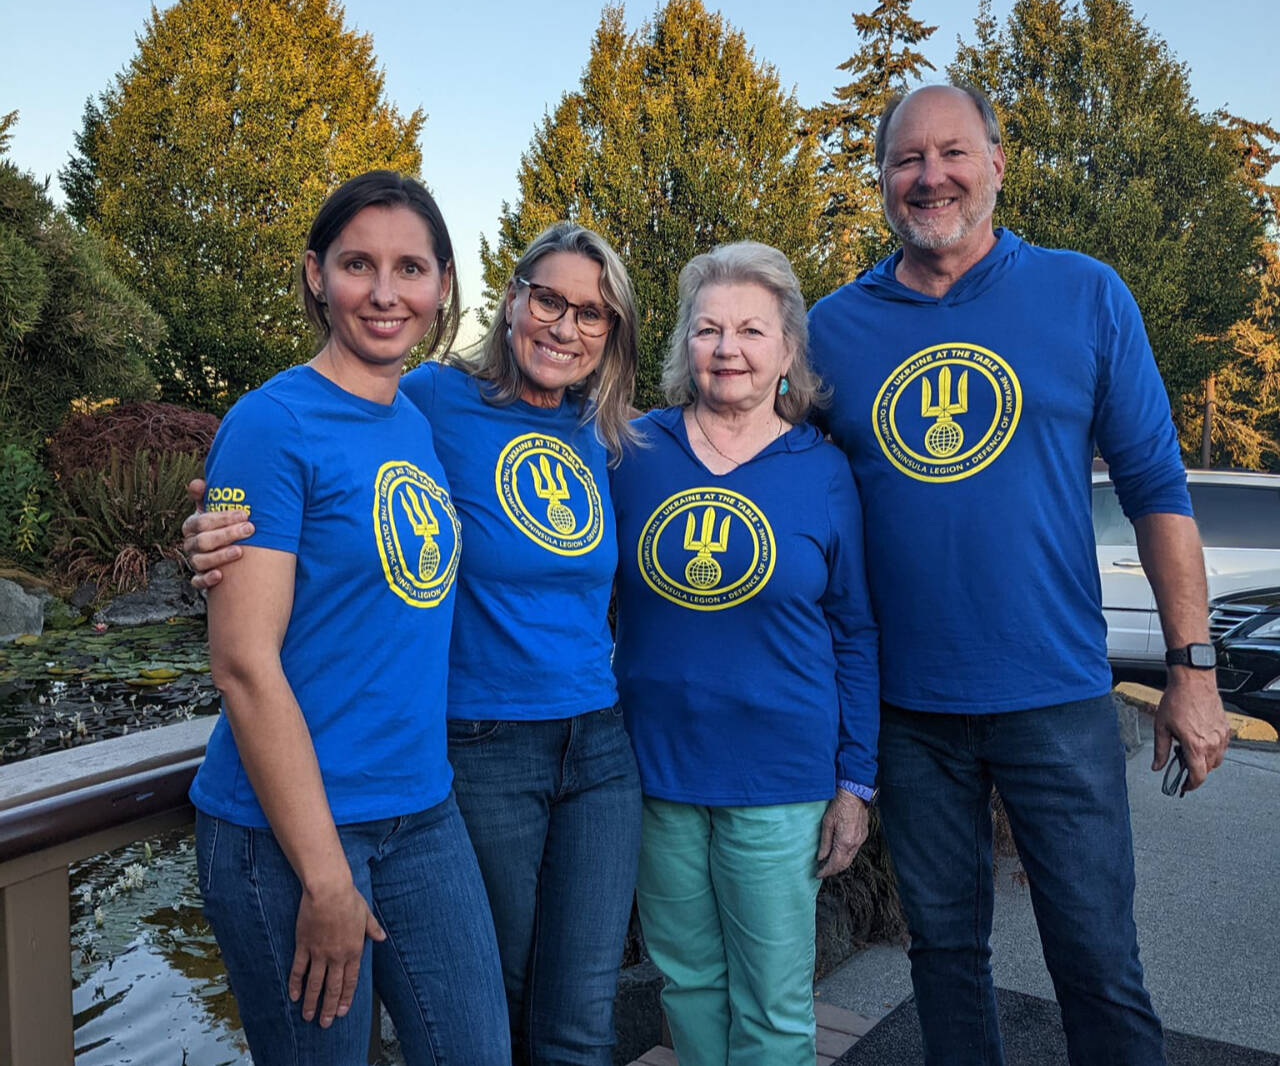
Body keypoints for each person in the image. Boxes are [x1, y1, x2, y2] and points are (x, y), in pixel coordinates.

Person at [806, 85, 1232, 1066]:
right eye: (905, 160)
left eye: (951, 153)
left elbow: (1156, 491)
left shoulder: (1083, 295)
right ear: (881, 180)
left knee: (1095, 957)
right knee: (943, 954)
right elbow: (777, 482)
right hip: (908, 713)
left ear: (996, 164)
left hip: (1056, 700)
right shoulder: (831, 331)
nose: (929, 177)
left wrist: (1193, 672)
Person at [185, 222, 643, 1066]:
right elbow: (292, 452)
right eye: (547, 298)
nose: (563, 325)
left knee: (573, 1022)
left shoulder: (609, 435)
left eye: (591, 312)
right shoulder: (428, 397)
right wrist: (209, 529)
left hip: (580, 748)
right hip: (478, 745)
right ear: (508, 300)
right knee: (491, 1010)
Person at [188, 170, 508, 1065]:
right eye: (358, 263)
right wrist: (325, 878)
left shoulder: (417, 416)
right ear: (315, 275)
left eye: (411, 268)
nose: (384, 292)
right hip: (287, 838)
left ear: (444, 285)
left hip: (421, 811)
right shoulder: (271, 421)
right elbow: (243, 666)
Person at [610, 241, 880, 1066]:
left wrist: (855, 780)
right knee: (688, 982)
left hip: (781, 779)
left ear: (789, 352)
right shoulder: (628, 450)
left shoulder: (826, 473)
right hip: (657, 772)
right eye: (709, 329)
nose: (728, 349)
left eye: (752, 331)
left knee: (773, 1005)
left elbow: (854, 630)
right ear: (683, 344)